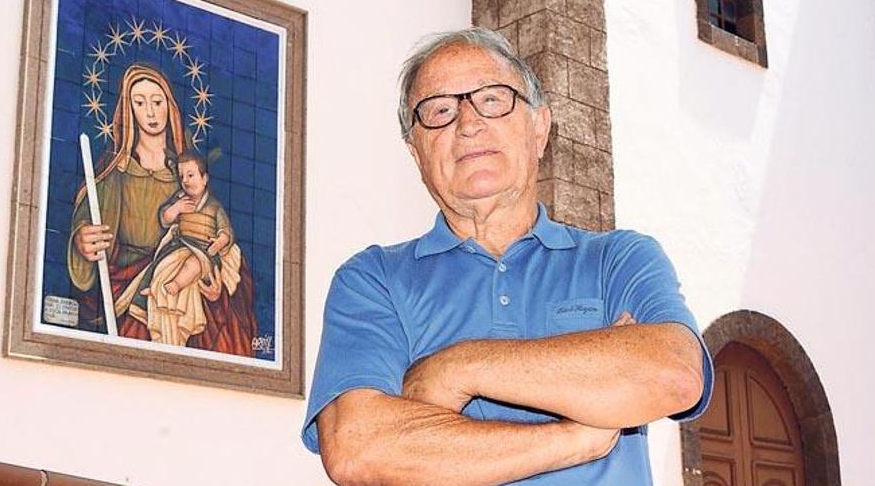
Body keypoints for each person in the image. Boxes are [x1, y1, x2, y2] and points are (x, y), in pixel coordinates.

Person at [302, 28, 714, 485]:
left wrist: (458, 367)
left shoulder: (618, 259)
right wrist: (576, 438)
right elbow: (360, 449)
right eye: (439, 110)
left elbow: (674, 374)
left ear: (539, 126)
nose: (468, 123)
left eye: (493, 99)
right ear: (415, 151)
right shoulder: (372, 280)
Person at [68, 63, 257, 356]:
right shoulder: (115, 172)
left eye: (157, 102)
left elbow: (213, 232)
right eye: (140, 103)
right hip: (129, 283)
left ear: (170, 107)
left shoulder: (186, 175)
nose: (151, 113)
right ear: (128, 110)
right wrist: (82, 239)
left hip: (182, 273)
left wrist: (214, 276)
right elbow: (86, 220)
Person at [115, 150, 242, 347]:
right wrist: (176, 209)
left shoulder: (214, 207)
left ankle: (174, 285)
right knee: (161, 265)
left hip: (204, 250)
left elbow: (226, 231)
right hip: (181, 244)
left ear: (204, 178)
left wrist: (219, 241)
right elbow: (165, 218)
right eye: (182, 176)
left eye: (191, 175)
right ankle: (155, 290)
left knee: (193, 265)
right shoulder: (181, 198)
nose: (185, 181)